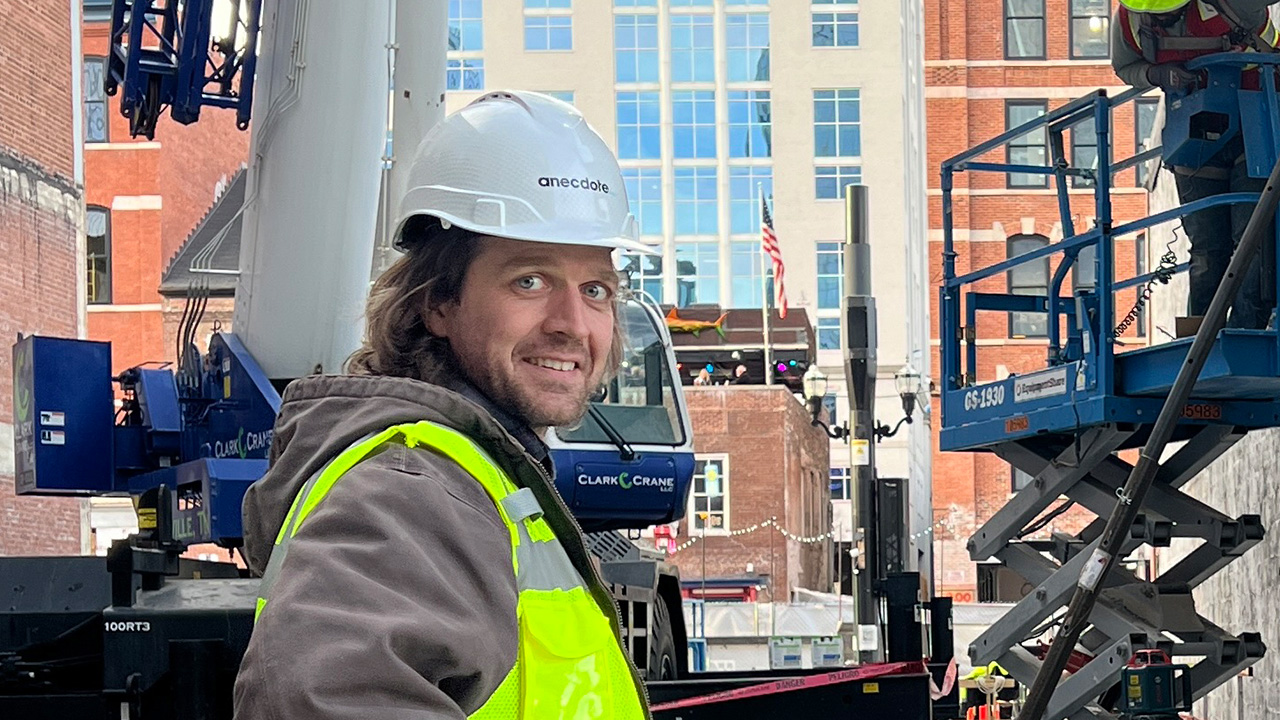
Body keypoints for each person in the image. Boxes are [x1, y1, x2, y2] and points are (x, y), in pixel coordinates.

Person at [233, 91, 652, 719]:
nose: (572, 323)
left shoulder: (480, 482)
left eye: (595, 289)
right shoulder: (411, 493)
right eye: (530, 280)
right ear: (437, 303)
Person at [1112, 0, 1280, 329]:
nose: (1161, 18)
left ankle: (1247, 330)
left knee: (1252, 238)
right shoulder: (1129, 18)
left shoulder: (1233, 4)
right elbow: (1124, 67)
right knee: (1206, 246)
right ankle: (1204, 333)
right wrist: (1153, 73)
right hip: (1195, 128)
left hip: (1255, 118)